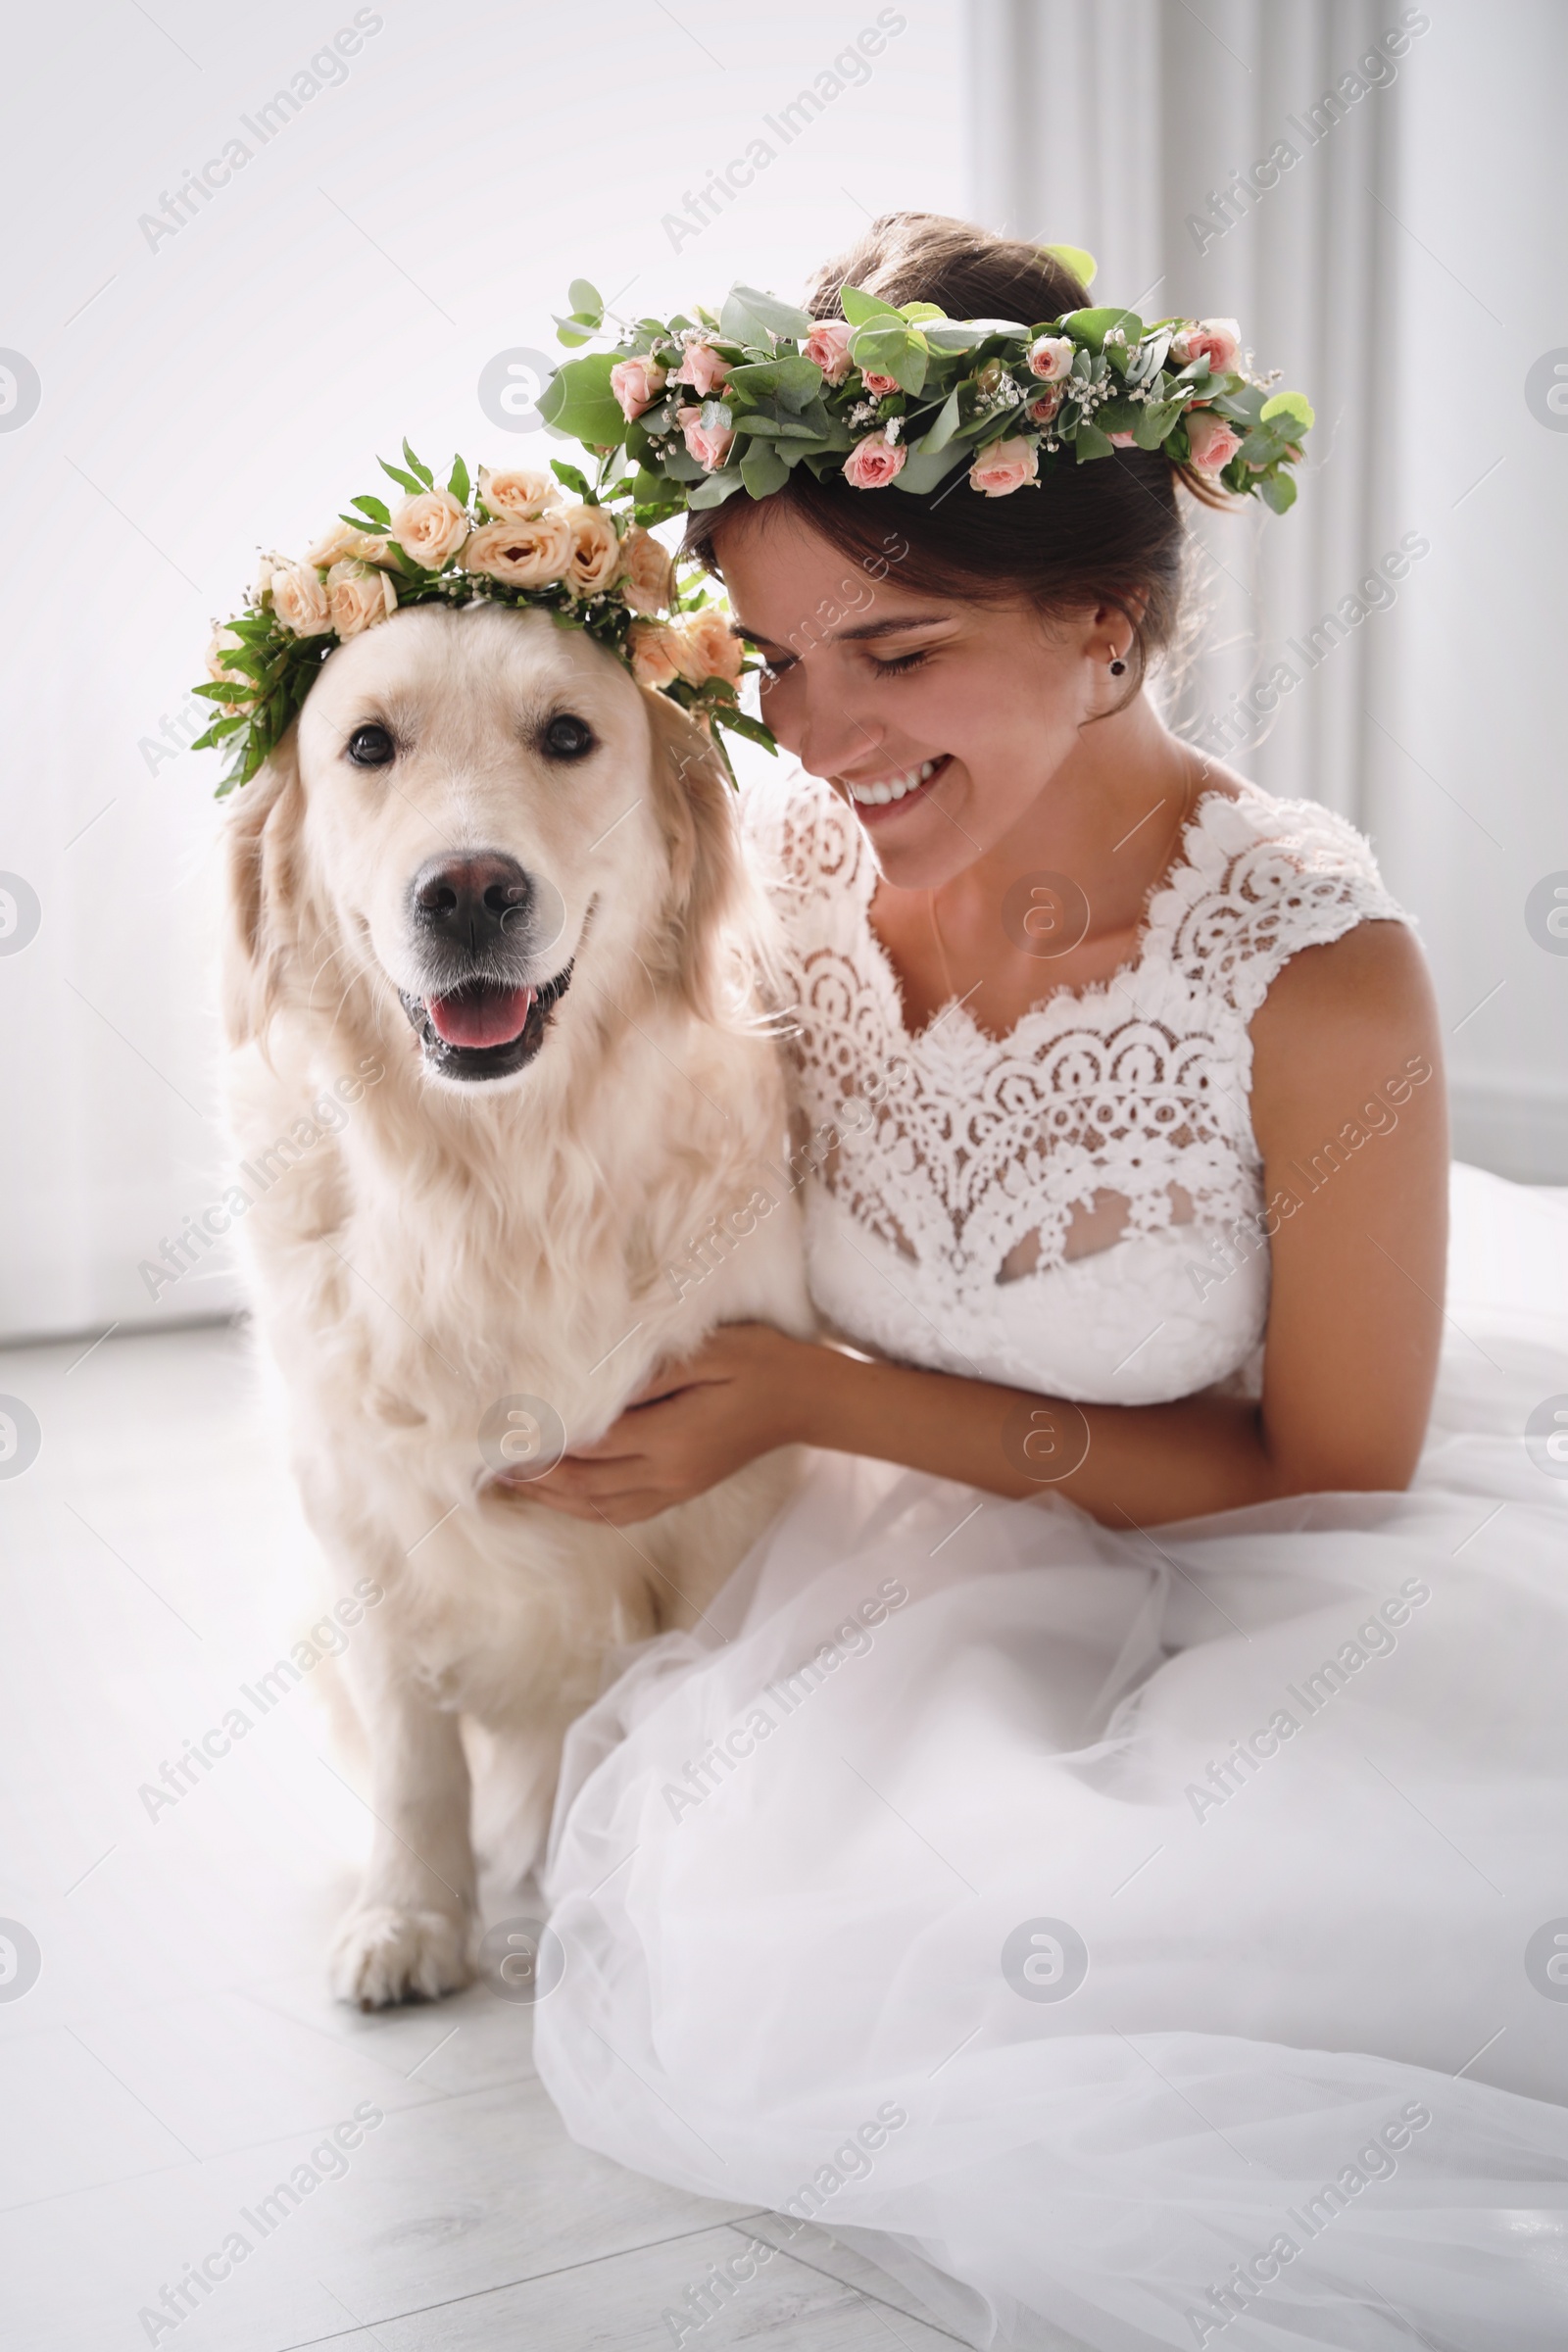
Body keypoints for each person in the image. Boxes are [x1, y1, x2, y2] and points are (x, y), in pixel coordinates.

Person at [518, 218, 1568, 2348]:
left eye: (892, 654)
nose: (817, 734)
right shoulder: (787, 860)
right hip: (900, 1573)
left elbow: (1320, 1474)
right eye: (772, 658)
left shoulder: (1312, 975)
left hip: (1269, 1561)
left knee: (1167, 1944)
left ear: (1106, 623)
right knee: (827, 1912)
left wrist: (821, 1399)